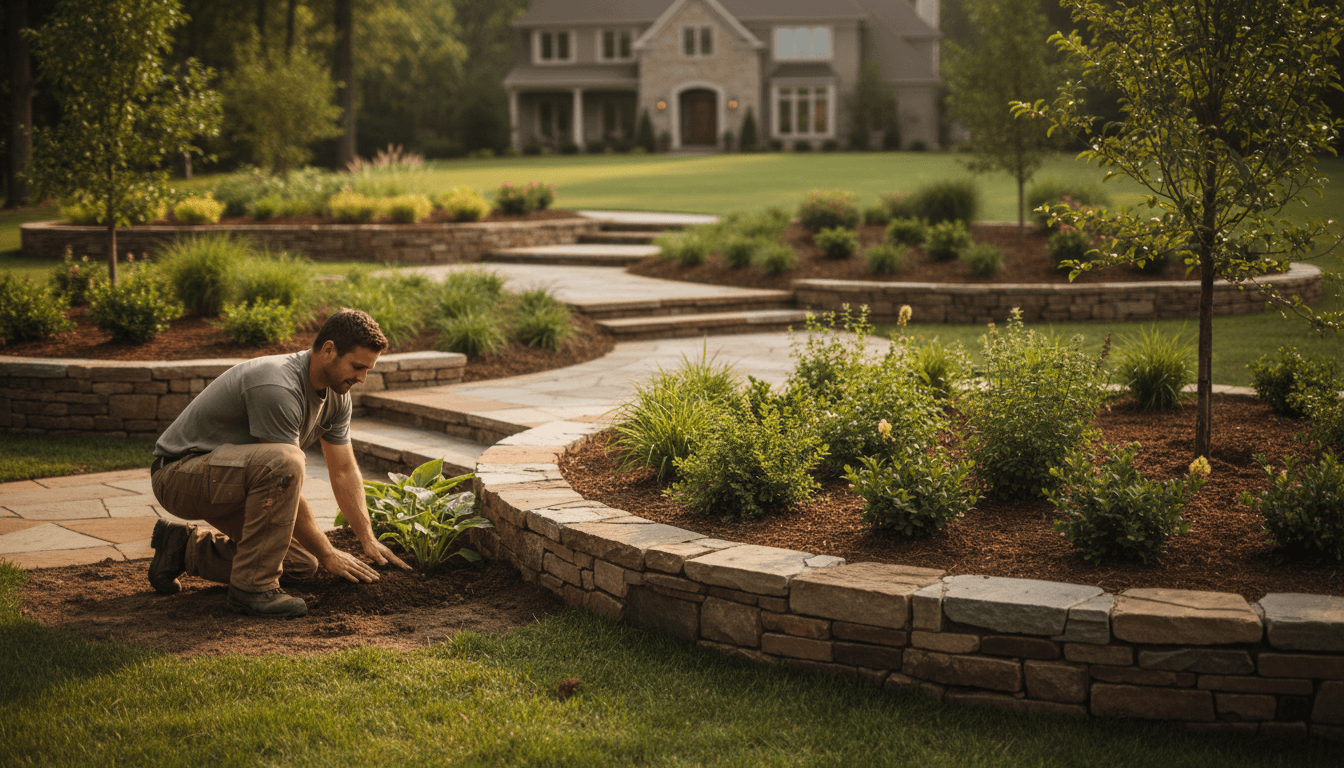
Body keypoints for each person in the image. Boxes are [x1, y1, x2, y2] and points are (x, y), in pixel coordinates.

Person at [147, 309, 409, 618]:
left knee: (302, 565)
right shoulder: (278, 385)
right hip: (179, 475)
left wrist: (367, 539)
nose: (362, 378)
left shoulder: (338, 396)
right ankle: (253, 590)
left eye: (368, 369)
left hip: (234, 482)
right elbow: (281, 473)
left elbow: (344, 470)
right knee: (286, 460)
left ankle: (182, 549)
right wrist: (328, 552)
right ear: (328, 350)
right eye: (357, 367)